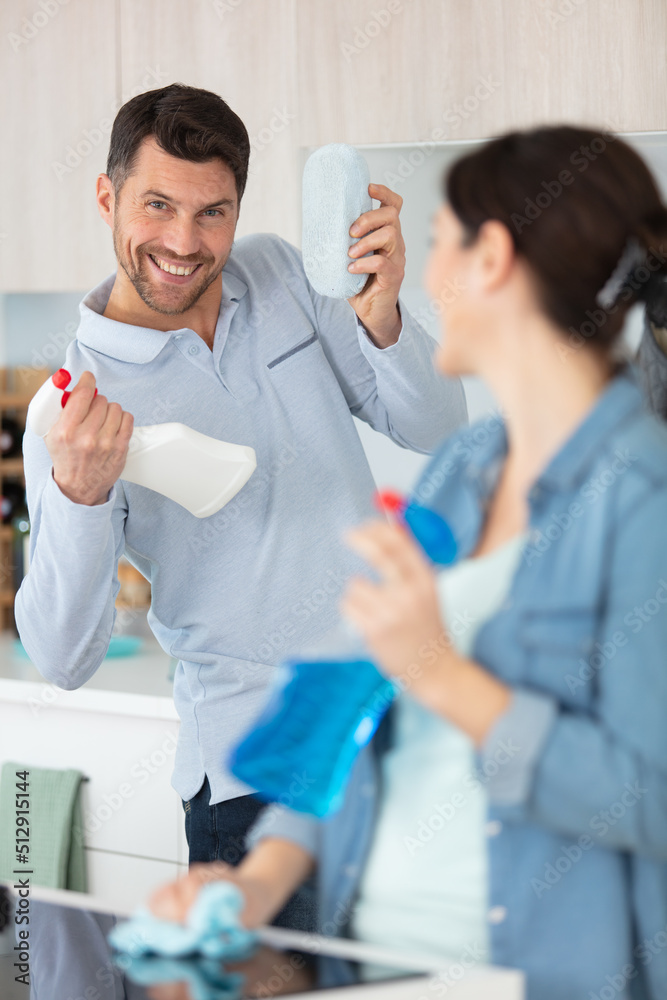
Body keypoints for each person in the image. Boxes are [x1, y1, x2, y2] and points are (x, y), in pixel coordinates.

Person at [148, 125, 667, 1000]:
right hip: (379, 969)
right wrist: (256, 882)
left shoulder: (641, 501)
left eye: (438, 246)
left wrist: (437, 669)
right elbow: (349, 704)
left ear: (494, 258)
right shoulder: (465, 473)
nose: (426, 278)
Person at [14, 84, 467, 928]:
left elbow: (437, 426)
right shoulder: (74, 408)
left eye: (211, 212)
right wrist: (80, 494)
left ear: (237, 210)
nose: (183, 244)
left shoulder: (283, 275)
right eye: (156, 206)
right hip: (254, 785)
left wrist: (382, 315)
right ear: (108, 197)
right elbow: (62, 659)